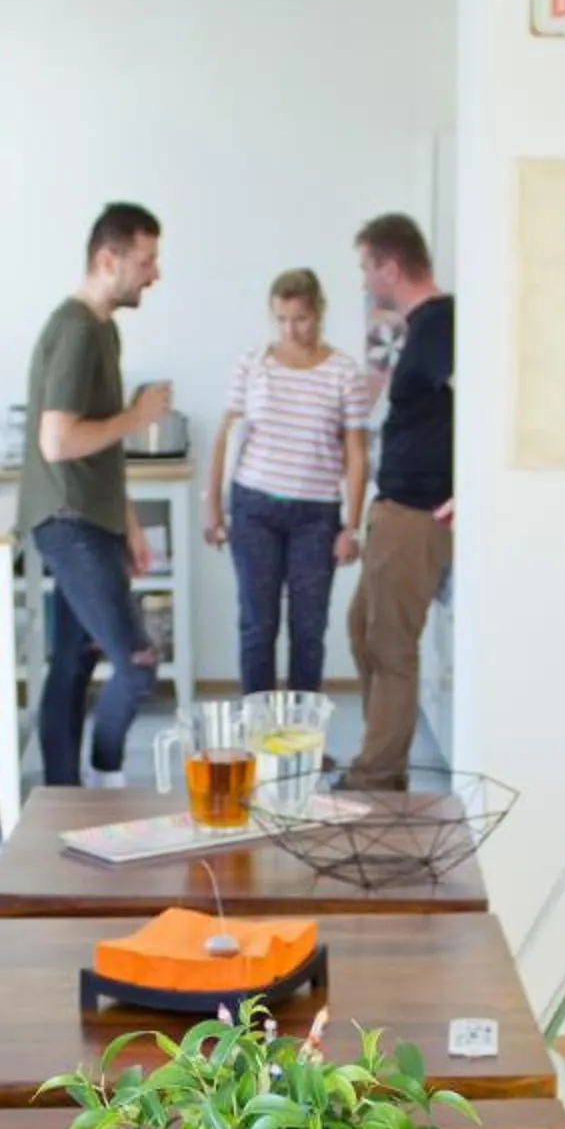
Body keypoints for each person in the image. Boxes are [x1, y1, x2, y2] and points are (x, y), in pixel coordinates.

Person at [17, 202, 170, 786]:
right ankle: (106, 777)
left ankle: (61, 795)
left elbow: (98, 447)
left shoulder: (102, 327)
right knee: (137, 666)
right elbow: (57, 441)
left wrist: (126, 522)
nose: (154, 273)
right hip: (68, 519)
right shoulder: (78, 330)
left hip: (89, 516)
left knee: (73, 666)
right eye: (146, 260)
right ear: (109, 259)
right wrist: (137, 416)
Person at [204, 268, 372, 696]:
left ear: (318, 312)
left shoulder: (343, 372)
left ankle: (303, 745)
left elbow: (356, 453)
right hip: (253, 506)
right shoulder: (253, 363)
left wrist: (351, 526)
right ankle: (257, 741)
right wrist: (212, 507)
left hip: (315, 516)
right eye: (281, 319)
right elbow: (226, 435)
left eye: (300, 318)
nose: (290, 329)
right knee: (258, 626)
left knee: (308, 630)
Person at [345, 212, 454, 791]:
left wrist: (471, 489)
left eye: (367, 266)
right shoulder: (419, 326)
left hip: (417, 515)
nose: (365, 280)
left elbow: (479, 404)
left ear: (390, 265)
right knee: (361, 628)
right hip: (394, 508)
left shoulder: (441, 324)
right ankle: (377, 753)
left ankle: (378, 778)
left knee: (390, 645)